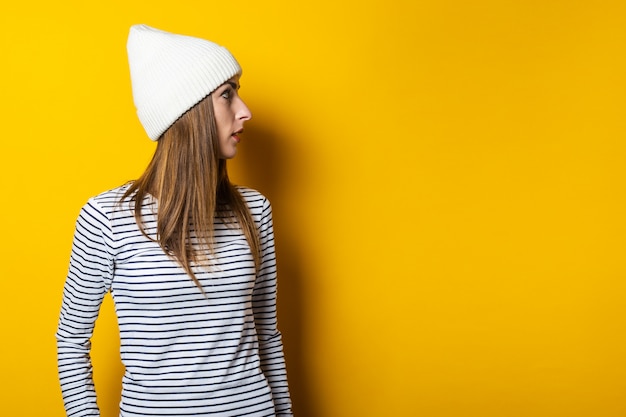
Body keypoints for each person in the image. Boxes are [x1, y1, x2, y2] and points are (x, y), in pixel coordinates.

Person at [56, 24, 293, 417]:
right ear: (189, 112)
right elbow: (71, 341)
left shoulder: (255, 212)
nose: (245, 110)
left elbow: (267, 334)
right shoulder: (106, 219)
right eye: (227, 95)